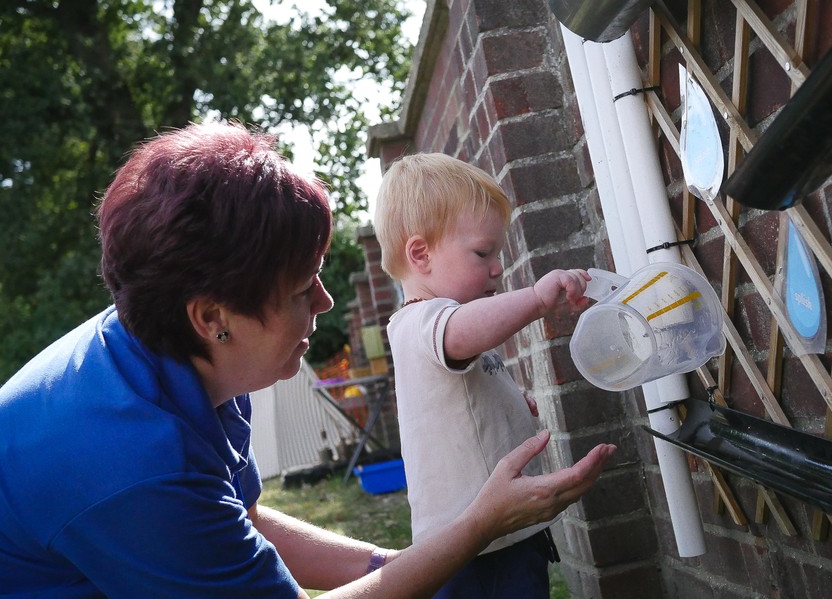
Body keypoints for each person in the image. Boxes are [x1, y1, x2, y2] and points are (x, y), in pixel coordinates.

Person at [0, 122, 615, 599]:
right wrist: (478, 527)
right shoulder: (133, 464)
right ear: (213, 319)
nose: (325, 302)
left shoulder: (183, 357)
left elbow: (242, 523)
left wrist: (390, 568)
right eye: (302, 291)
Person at [373, 152, 593, 598]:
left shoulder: (444, 327)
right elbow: (464, 331)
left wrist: (510, 402)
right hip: (471, 548)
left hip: (497, 532)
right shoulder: (422, 322)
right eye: (482, 252)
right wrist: (535, 298)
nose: (498, 267)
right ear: (421, 254)